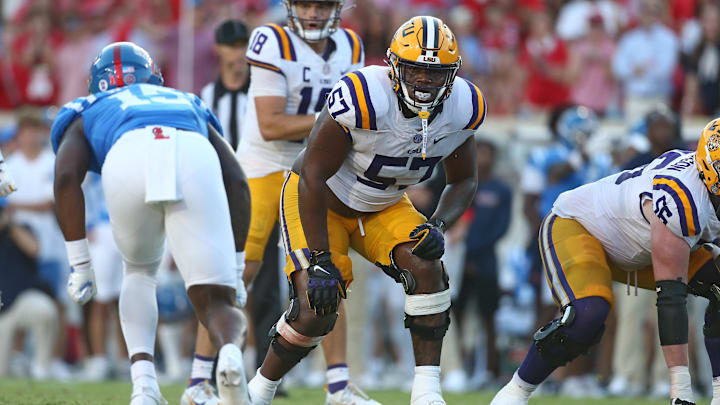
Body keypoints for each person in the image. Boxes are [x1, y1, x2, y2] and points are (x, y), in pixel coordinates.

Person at [247, 16, 485, 405]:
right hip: (321, 201)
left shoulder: (464, 105)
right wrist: (321, 260)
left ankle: (427, 391)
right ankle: (260, 388)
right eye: (414, 70)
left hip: (383, 206)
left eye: (434, 73)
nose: (423, 81)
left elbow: (464, 180)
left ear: (452, 74)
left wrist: (439, 223)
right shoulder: (363, 95)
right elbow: (312, 174)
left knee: (427, 268)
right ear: (394, 66)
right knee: (316, 307)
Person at [51, 42, 251, 405]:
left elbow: (66, 177)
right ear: (153, 76)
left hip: (127, 156)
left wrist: (80, 263)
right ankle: (230, 358)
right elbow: (236, 179)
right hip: (193, 152)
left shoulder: (90, 106)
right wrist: (235, 268)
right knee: (217, 298)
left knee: (139, 272)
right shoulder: (185, 99)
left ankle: (145, 386)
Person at [490, 118, 720, 405]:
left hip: (643, 242)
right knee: (588, 314)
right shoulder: (681, 198)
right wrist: (680, 390)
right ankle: (516, 391)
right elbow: (671, 297)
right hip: (580, 226)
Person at [235, 1, 373, 403]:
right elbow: (271, 124)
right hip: (265, 164)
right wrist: (335, 118)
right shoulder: (270, 39)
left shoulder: (351, 45)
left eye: (323, 4)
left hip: (314, 168)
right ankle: (202, 378)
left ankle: (338, 387)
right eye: (305, 3)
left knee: (327, 271)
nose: (313, 13)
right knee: (237, 272)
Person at [183, 19, 258, 405]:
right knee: (222, 283)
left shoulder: (262, 91)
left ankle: (257, 371)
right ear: (219, 50)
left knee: (266, 288)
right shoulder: (207, 95)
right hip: (220, 196)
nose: (238, 52)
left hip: (263, 191)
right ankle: (206, 375)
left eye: (243, 44)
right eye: (231, 45)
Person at [0, 203, 58, 380]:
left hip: (19, 301)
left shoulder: (19, 230)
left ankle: (41, 369)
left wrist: (9, 225)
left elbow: (34, 249)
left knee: (44, 310)